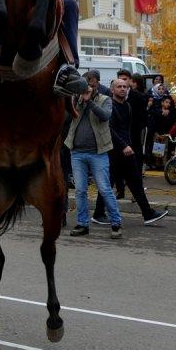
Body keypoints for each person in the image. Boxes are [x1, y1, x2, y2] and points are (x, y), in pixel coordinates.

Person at [93, 79, 168, 226]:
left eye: (125, 87)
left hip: (127, 150)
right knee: (109, 183)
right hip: (114, 151)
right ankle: (99, 213)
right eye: (119, 87)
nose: (122, 89)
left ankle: (147, 213)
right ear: (112, 90)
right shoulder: (110, 106)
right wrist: (123, 146)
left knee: (134, 182)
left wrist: (130, 146)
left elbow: (126, 129)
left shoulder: (127, 106)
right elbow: (109, 129)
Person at [65, 83, 123, 239]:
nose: (85, 89)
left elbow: (105, 116)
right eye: (83, 86)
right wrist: (78, 100)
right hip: (77, 152)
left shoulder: (105, 100)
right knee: (80, 190)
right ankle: (82, 224)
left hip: (98, 153)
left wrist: (89, 101)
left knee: (104, 189)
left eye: (89, 86)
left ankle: (116, 223)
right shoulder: (76, 100)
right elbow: (69, 116)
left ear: (95, 86)